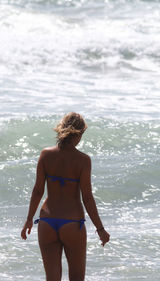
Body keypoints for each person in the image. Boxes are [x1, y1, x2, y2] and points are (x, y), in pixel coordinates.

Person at [21, 112, 110, 281]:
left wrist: (28, 220)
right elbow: (87, 197)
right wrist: (100, 229)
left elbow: (38, 190)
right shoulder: (83, 160)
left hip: (47, 222)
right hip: (72, 224)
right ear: (79, 133)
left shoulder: (45, 155)